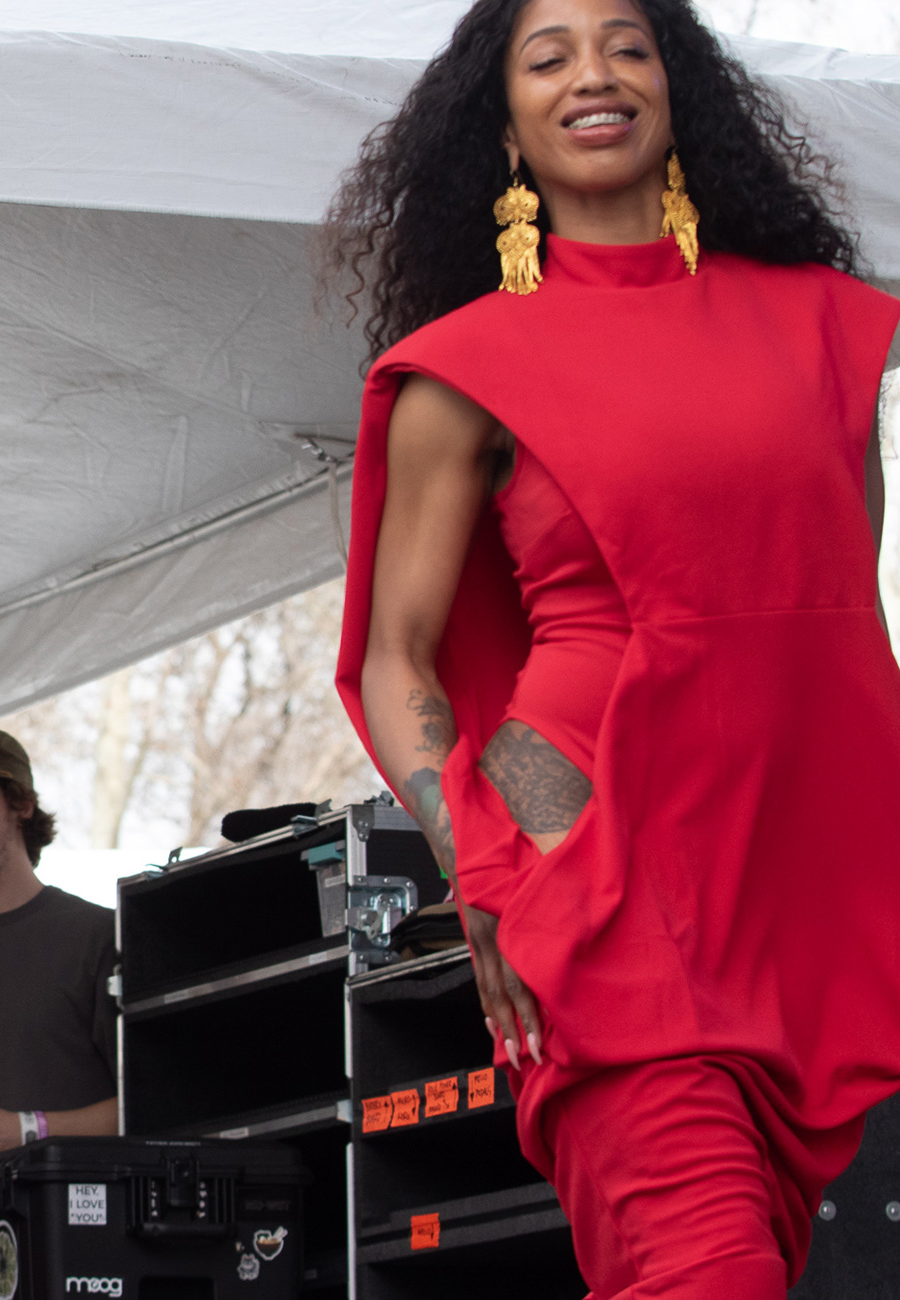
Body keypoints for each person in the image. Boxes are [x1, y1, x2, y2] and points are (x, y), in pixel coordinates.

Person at [325, 0, 900, 1295]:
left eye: (628, 45)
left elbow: (829, 608)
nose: (596, 73)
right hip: (597, 853)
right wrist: (503, 857)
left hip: (799, 880)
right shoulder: (463, 370)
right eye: (551, 56)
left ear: (678, 87)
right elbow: (394, 657)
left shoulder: (823, 328)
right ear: (507, 124)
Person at [0, 723, 118, 1165]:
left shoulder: (98, 935)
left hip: (65, 1215)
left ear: (22, 804)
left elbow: (151, 1104)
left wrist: (27, 1129)